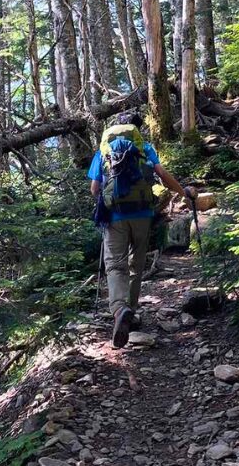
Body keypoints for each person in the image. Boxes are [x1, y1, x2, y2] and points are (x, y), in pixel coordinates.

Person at [89, 112, 195, 348]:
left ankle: (119, 310)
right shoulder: (144, 147)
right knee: (136, 265)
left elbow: (95, 188)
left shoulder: (103, 150)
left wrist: (105, 201)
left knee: (115, 265)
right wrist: (183, 192)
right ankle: (132, 311)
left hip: (115, 217)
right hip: (143, 214)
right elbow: (162, 175)